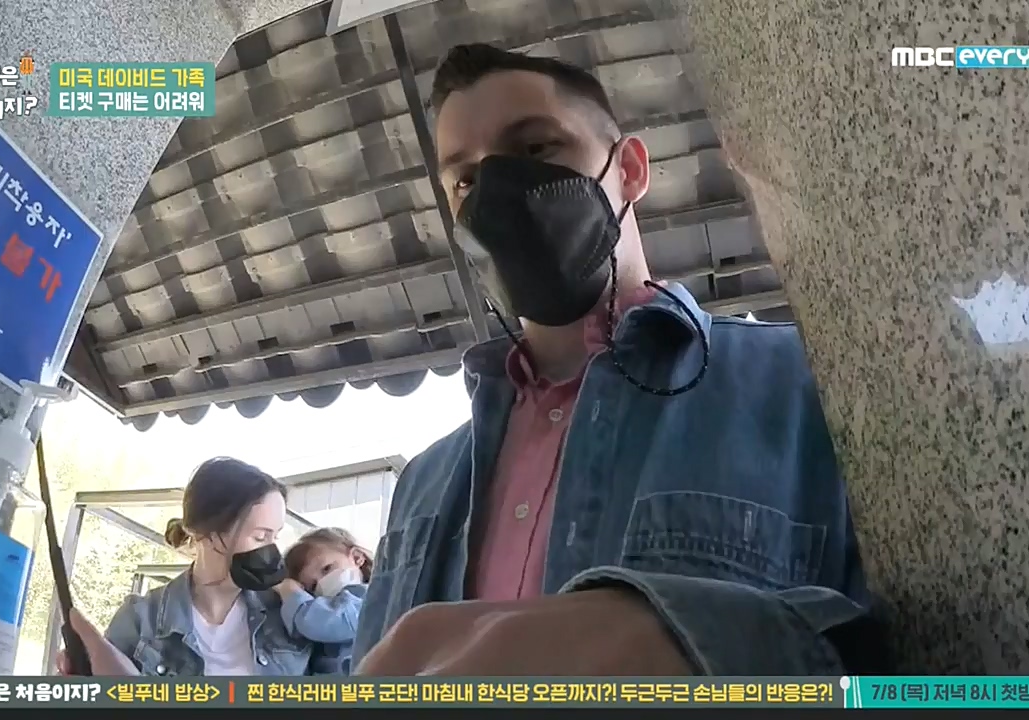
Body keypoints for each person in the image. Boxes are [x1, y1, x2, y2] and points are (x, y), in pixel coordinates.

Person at [352, 43, 881, 676]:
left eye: (536, 148)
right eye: (465, 180)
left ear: (628, 169)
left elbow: (942, 657)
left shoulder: (804, 383)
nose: (496, 191)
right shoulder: (423, 485)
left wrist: (688, 642)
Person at [57, 457, 320, 676]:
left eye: (275, 536)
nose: (272, 552)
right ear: (207, 533)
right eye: (260, 537)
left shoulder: (292, 613)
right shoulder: (141, 621)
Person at [275, 527, 372, 675]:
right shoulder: (319, 610)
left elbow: (325, 622)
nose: (322, 582)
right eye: (313, 586)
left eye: (326, 569)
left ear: (357, 557)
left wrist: (291, 592)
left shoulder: (369, 597)